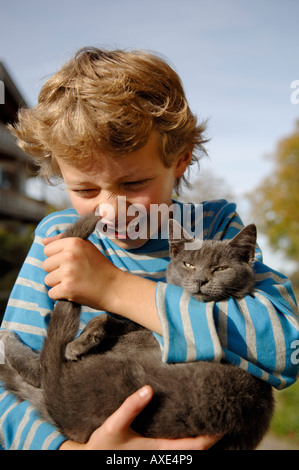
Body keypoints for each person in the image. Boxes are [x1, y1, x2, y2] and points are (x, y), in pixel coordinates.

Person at [0, 47, 298, 450]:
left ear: (179, 160)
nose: (109, 209)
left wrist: (114, 289)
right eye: (85, 189)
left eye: (133, 184)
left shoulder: (210, 228)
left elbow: (286, 347)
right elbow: (7, 379)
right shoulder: (58, 238)